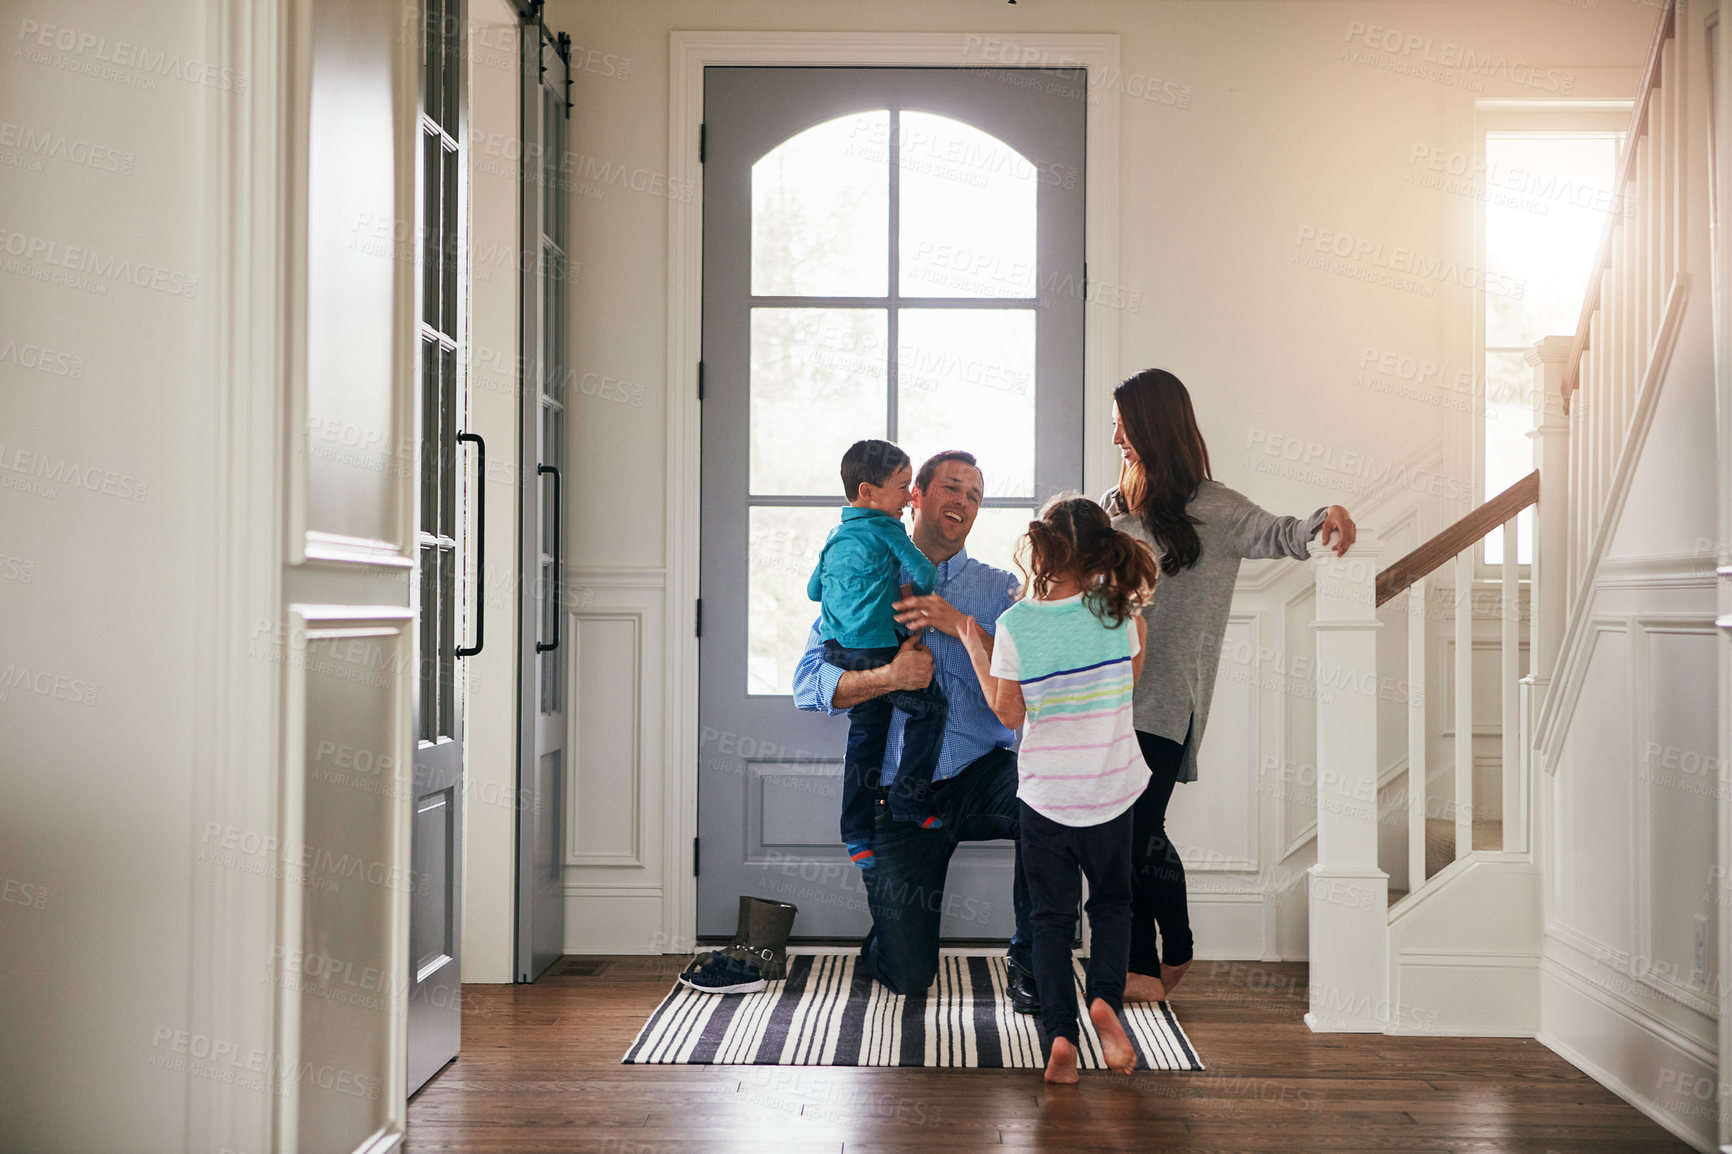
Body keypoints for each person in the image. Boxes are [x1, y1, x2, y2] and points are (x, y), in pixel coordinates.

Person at [1104, 368, 1357, 1004]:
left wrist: (1328, 515)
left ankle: (1177, 948)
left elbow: (1285, 533)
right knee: (1115, 835)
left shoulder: (1217, 507)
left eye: (1125, 424)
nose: (1116, 437)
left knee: (1140, 830)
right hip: (1105, 696)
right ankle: (1135, 968)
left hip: (1166, 697)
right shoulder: (1113, 508)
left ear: (1154, 426)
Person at [792, 451, 1038, 1010]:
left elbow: (1031, 690)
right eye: (951, 487)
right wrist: (889, 677)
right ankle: (891, 941)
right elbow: (807, 683)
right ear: (915, 497)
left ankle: (1031, 961)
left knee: (1050, 806)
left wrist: (964, 627)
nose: (963, 501)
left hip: (981, 773)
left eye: (974, 495)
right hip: (898, 793)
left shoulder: (1001, 591)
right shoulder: (862, 570)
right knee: (908, 978)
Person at [957, 495, 1160, 1083]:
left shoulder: (1016, 625)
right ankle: (1104, 1001)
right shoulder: (1123, 617)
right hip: (1111, 793)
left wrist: (976, 646)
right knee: (1113, 906)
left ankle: (1060, 1041)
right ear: (1101, 548)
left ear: (1042, 550)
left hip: (1047, 798)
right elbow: (1128, 690)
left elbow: (1009, 714)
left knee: (1049, 919)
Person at [808, 439, 949, 869]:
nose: (910, 496)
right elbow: (924, 572)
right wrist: (912, 596)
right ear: (869, 492)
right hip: (879, 652)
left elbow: (814, 590)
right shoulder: (888, 529)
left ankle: (855, 835)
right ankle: (907, 799)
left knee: (865, 737)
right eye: (904, 486)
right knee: (931, 710)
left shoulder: (835, 536)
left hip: (838, 650)